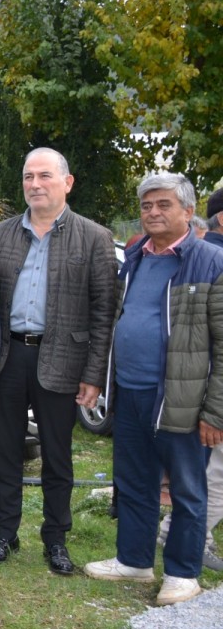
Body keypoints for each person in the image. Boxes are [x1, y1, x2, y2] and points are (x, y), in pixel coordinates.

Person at [85, 173, 223, 606]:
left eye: (163, 205)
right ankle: (134, 559)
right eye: (147, 206)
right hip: (130, 391)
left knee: (187, 488)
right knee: (135, 481)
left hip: (183, 400)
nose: (153, 213)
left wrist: (215, 413)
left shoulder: (210, 262)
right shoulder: (136, 257)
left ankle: (183, 573)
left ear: (188, 210)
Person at [0, 148, 117, 574]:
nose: (35, 184)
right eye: (28, 177)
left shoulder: (94, 237)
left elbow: (104, 313)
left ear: (67, 182)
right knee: (4, 451)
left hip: (63, 359)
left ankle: (55, 539)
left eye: (44, 176)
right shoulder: (1, 235)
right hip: (8, 358)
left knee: (57, 456)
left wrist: (94, 374)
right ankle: (4, 533)